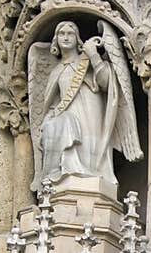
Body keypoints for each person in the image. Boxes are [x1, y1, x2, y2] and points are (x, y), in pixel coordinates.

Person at [32, 20, 122, 189]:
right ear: (56, 40)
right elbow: (53, 102)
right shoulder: (56, 70)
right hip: (68, 113)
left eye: (70, 34)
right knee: (59, 129)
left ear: (77, 38)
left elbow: (105, 83)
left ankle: (93, 173)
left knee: (90, 147)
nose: (66, 38)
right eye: (61, 34)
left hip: (91, 110)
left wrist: (94, 55)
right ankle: (64, 174)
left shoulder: (86, 62)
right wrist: (49, 116)